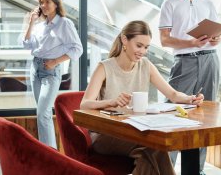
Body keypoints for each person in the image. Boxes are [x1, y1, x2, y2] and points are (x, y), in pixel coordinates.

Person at [80, 20, 204, 175]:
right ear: (125, 40)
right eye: (139, 45)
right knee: (153, 148)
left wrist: (189, 99)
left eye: (146, 47)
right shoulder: (104, 67)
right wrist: (111, 102)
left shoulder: (146, 65)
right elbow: (84, 104)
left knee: (150, 152)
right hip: (107, 134)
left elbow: (172, 94)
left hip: (136, 130)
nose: (142, 51)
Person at [158, 0, 221, 174]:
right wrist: (191, 42)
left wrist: (216, 39)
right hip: (184, 62)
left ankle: (197, 169)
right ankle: (165, 168)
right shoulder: (170, 4)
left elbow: (217, 35)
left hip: (210, 60)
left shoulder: (208, 4)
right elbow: (164, 40)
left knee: (206, 114)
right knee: (173, 111)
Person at [22, 0, 82, 148]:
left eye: (47, 1)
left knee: (43, 114)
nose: (43, 5)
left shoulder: (64, 23)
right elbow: (27, 44)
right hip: (35, 69)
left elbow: (77, 49)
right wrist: (31, 22)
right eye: (41, 2)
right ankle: (46, 152)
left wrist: (55, 61)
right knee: (41, 113)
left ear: (56, 3)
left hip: (51, 71)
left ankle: (50, 154)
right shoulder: (41, 25)